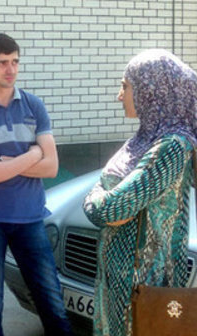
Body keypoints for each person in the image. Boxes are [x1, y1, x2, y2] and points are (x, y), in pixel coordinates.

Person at [0, 33, 73, 336]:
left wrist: (1, 161)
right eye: (2, 63)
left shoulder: (34, 105)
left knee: (52, 300)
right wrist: (33, 152)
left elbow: (52, 167)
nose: (10, 69)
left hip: (32, 218)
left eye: (15, 62)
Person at [83, 49, 196, 336]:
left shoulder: (172, 146)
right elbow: (100, 195)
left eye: (125, 86)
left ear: (152, 88)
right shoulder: (143, 139)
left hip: (146, 289)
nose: (119, 96)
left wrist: (98, 203)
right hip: (118, 284)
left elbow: (111, 209)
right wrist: (98, 200)